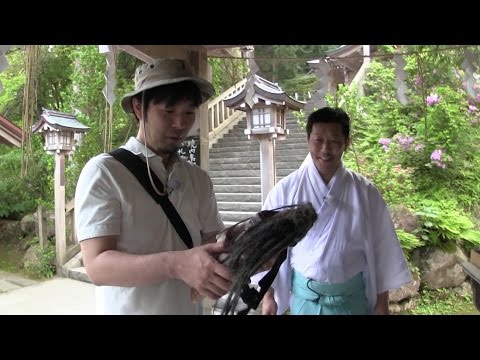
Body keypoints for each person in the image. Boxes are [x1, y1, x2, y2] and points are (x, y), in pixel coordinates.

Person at [74, 58, 231, 315]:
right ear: (139, 107)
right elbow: (97, 266)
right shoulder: (105, 172)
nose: (180, 124)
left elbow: (211, 246)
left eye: (189, 113)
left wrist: (252, 253)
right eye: (168, 112)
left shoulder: (198, 179)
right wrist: (176, 264)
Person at [257, 107, 412, 315]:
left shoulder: (365, 193)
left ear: (347, 142)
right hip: (305, 302)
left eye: (334, 141)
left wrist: (381, 302)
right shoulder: (286, 191)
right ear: (308, 140)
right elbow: (268, 247)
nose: (325, 149)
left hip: (351, 302)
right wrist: (268, 297)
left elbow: (382, 250)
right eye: (318, 140)